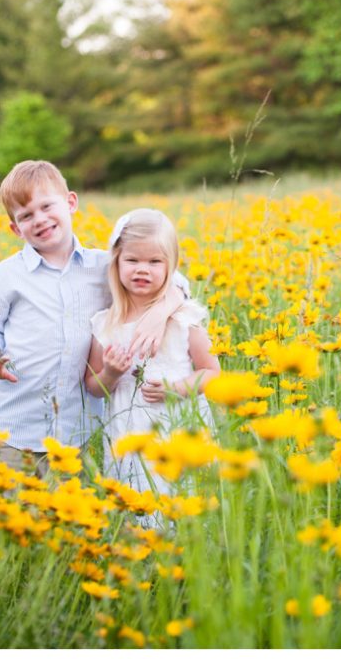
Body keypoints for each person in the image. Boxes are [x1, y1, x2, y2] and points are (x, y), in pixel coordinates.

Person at [0, 160, 188, 477]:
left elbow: (176, 282)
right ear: (16, 229)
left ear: (71, 203)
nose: (40, 219)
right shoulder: (6, 276)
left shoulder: (103, 267)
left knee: (68, 519)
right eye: (26, 215)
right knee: (11, 519)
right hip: (13, 429)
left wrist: (159, 313)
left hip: (76, 433)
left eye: (46, 206)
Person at [84, 208, 219, 499]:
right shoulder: (105, 324)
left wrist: (178, 389)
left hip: (179, 428)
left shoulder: (183, 318)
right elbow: (94, 387)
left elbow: (212, 372)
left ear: (172, 267)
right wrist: (111, 373)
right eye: (132, 260)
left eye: (155, 262)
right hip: (128, 434)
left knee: (184, 503)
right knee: (135, 505)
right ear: (116, 263)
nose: (142, 269)